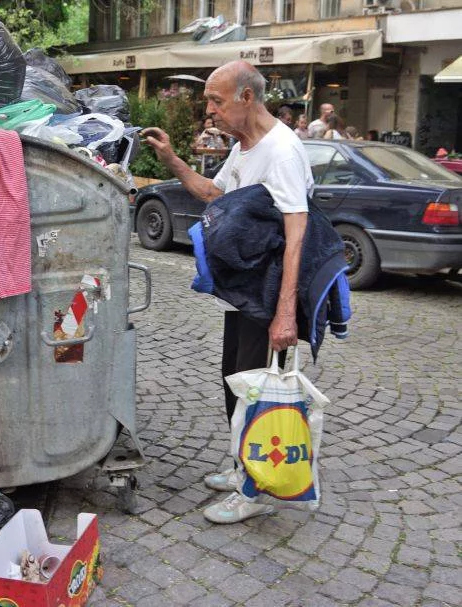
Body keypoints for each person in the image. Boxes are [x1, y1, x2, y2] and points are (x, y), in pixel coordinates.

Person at [142, 60, 311, 524]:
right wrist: (174, 160)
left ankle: (253, 489)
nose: (209, 110)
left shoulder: (281, 151)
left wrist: (285, 315)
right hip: (243, 292)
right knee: (235, 383)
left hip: (269, 292)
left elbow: (298, 232)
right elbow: (214, 195)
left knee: (256, 389)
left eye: (216, 101)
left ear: (247, 98)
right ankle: (242, 464)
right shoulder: (245, 148)